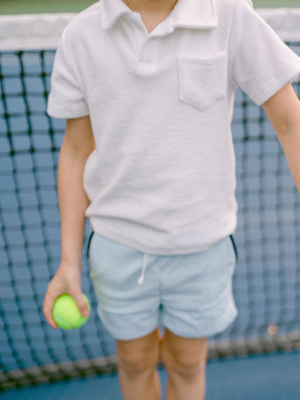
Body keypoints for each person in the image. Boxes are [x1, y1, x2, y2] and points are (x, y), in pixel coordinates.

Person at [43, 0, 300, 398]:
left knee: (186, 361)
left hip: (202, 248)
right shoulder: (81, 36)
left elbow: (290, 121)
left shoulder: (230, 16)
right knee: (133, 360)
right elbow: (76, 151)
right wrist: (69, 263)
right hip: (117, 247)